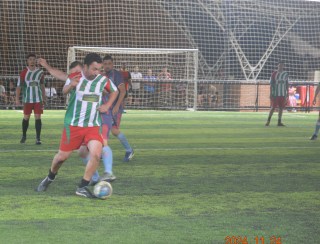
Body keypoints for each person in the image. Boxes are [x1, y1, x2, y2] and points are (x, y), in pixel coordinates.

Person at [36, 53, 115, 198]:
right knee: (61, 158)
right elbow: (64, 91)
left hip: (92, 126)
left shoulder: (102, 80)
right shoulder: (75, 77)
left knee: (96, 154)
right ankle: (50, 177)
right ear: (85, 67)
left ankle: (82, 186)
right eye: (94, 69)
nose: (97, 72)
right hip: (73, 126)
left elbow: (115, 91)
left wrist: (107, 105)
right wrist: (70, 85)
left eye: (99, 69)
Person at [102, 55, 134, 163]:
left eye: (109, 64)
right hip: (105, 107)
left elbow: (123, 91)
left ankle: (129, 150)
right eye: (105, 64)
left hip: (114, 108)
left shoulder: (117, 75)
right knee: (103, 129)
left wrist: (116, 106)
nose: (107, 66)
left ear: (112, 64)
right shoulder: (102, 75)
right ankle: (102, 150)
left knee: (114, 130)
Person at [16, 53, 46, 144]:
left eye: (33, 59)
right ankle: (24, 136)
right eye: (30, 59)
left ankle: (38, 138)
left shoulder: (40, 72)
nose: (32, 61)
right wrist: (17, 99)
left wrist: (44, 97)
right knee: (26, 117)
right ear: (27, 61)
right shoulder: (24, 72)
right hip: (27, 99)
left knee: (38, 118)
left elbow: (42, 85)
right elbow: (19, 86)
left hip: (38, 99)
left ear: (36, 61)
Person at [265, 62, 289, 126]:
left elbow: (287, 83)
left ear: (283, 66)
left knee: (281, 108)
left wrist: (287, 93)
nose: (280, 67)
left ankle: (279, 122)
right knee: (273, 107)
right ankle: (268, 121)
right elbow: (271, 84)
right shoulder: (274, 73)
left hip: (283, 94)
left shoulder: (285, 74)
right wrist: (271, 93)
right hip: (275, 94)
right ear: (277, 66)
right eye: (279, 66)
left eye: (282, 66)